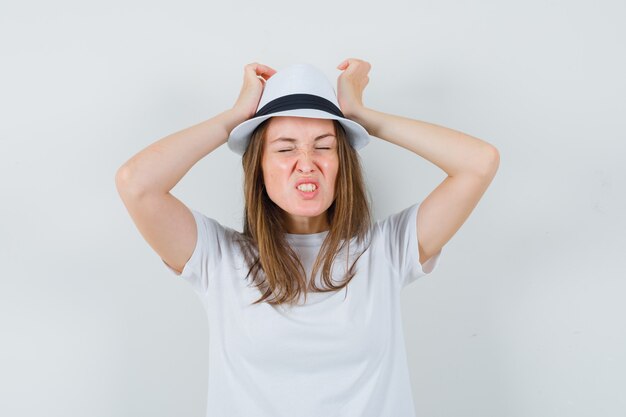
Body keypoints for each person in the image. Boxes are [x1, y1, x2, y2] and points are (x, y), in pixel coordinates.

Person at [115, 58, 499, 417]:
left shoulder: (386, 251)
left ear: (341, 164)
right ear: (259, 168)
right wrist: (232, 120)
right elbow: (137, 184)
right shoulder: (218, 258)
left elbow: (479, 163)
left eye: (324, 146)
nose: (306, 162)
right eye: (285, 148)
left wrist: (363, 117)